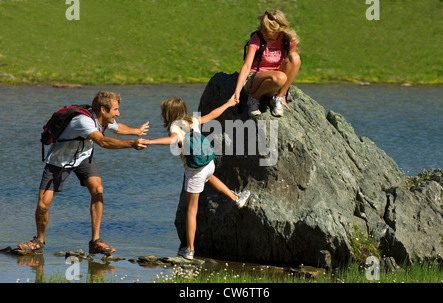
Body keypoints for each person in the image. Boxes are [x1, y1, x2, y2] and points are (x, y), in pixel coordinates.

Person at [18, 91, 151, 255]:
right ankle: (39, 241)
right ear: (103, 109)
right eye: (115, 110)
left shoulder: (102, 119)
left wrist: (136, 131)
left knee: (98, 190)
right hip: (59, 162)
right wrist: (131, 144)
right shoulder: (82, 121)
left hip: (83, 158)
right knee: (43, 205)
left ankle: (96, 241)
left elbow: (117, 127)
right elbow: (102, 141)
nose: (118, 113)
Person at [148, 97, 251, 260]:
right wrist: (228, 103)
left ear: (168, 113)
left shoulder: (176, 127)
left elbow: (173, 139)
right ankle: (236, 197)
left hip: (195, 170)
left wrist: (150, 141)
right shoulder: (192, 120)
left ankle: (189, 249)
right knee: (210, 177)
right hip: (209, 163)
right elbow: (212, 115)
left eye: (163, 112)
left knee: (191, 210)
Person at [232, 10, 301, 118]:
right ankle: (254, 98)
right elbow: (246, 66)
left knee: (295, 58)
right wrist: (237, 91)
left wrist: (283, 93)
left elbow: (291, 65)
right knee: (281, 77)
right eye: (261, 26)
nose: (261, 30)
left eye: (266, 29)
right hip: (255, 80)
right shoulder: (257, 38)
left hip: (276, 83)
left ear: (277, 29)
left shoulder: (287, 40)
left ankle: (279, 97)